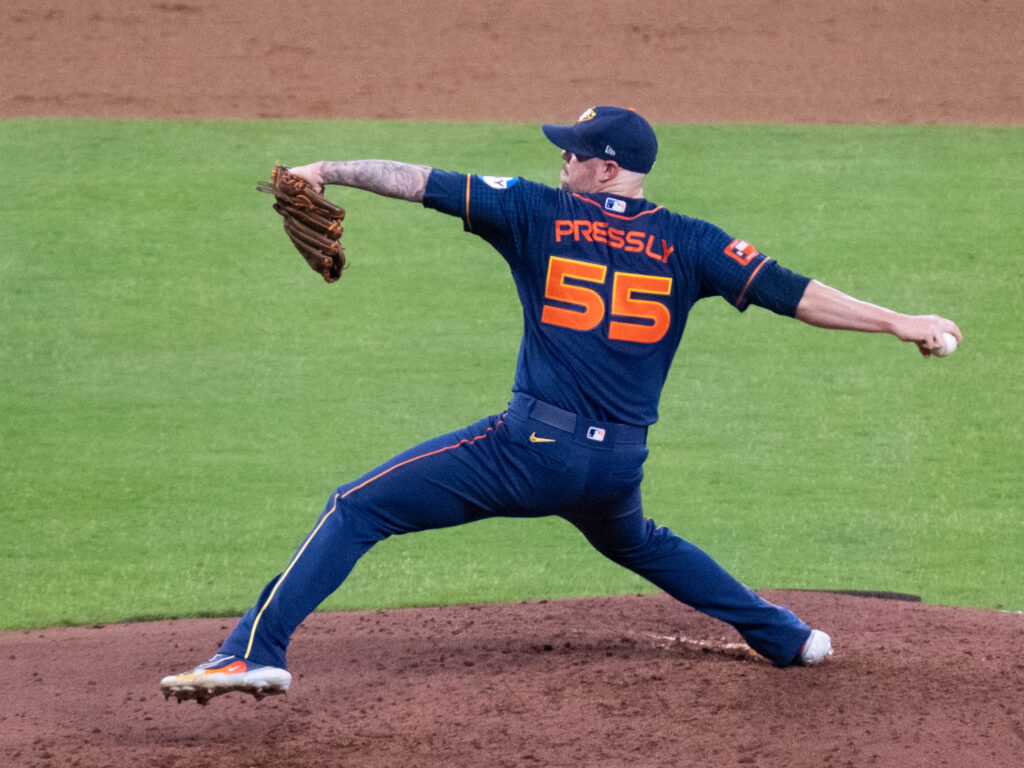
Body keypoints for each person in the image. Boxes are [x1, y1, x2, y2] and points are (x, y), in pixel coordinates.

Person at [160, 106, 961, 704]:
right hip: (614, 465)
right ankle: (789, 638)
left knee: (358, 507)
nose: (563, 160)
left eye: (575, 153)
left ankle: (253, 651)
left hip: (526, 455)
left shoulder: (535, 211)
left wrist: (326, 168)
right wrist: (900, 321)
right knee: (640, 541)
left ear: (608, 169)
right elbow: (796, 293)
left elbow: (412, 180)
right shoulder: (691, 240)